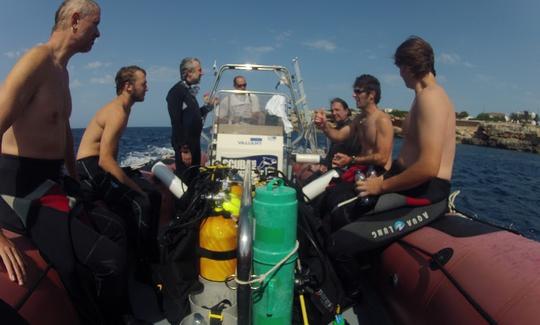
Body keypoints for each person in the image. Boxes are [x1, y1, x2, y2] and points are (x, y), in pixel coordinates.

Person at [0, 1, 134, 323]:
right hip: (16, 190)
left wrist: (74, 179)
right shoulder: (36, 61)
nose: (98, 33)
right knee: (108, 261)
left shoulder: (62, 72)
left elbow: (63, 134)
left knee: (117, 228)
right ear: (75, 20)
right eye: (95, 24)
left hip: (52, 180)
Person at [76, 65, 161, 282]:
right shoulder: (117, 111)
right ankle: (142, 266)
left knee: (154, 194)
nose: (147, 88)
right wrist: (134, 188)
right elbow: (105, 160)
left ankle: (150, 251)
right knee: (141, 202)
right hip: (90, 168)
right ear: (128, 86)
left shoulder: (124, 108)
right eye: (144, 84)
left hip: (101, 164)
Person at [356, 36, 455, 208]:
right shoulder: (422, 97)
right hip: (409, 180)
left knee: (345, 219)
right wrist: (382, 178)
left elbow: (428, 167)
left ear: (408, 66)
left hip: (426, 188)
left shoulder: (431, 97)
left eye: (400, 67)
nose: (400, 73)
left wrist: (381, 186)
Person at [315, 74, 393, 173]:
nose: (354, 95)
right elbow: (339, 135)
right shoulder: (359, 119)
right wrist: (324, 125)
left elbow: (382, 158)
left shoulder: (382, 120)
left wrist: (351, 160)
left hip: (378, 174)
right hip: (363, 170)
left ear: (371, 95)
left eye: (358, 91)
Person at [166, 57, 214, 184]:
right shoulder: (176, 92)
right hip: (186, 148)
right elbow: (176, 122)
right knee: (186, 184)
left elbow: (194, 115)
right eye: (199, 70)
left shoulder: (187, 92)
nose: (202, 73)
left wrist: (209, 107)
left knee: (194, 182)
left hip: (194, 145)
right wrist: (184, 150)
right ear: (188, 73)